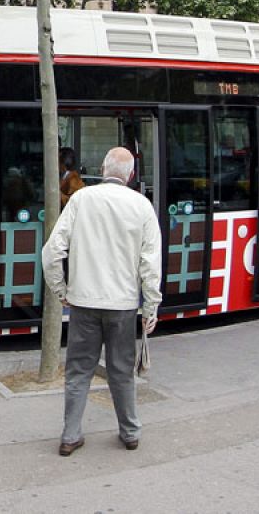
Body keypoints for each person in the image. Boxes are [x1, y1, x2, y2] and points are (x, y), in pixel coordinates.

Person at [41, 147, 163, 456]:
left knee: (78, 371)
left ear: (102, 168)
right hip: (122, 305)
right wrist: (150, 306)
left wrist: (61, 290)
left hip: (83, 302)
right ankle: (130, 432)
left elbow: (52, 252)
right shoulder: (142, 206)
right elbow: (150, 264)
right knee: (121, 372)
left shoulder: (81, 199)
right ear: (131, 175)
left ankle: (70, 436)